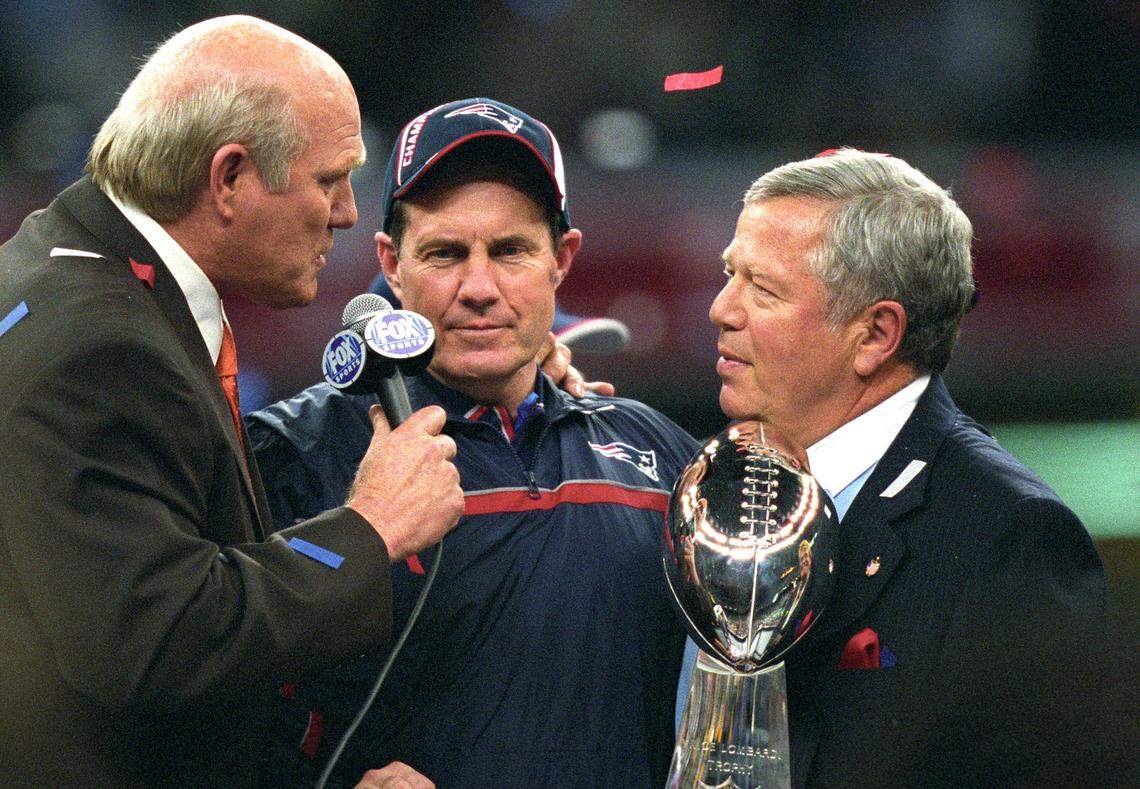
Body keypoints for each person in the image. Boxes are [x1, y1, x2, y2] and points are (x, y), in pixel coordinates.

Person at [0, 16, 466, 787]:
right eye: (329, 179)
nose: (347, 212)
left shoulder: (62, 266)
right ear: (229, 178)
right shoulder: (102, 345)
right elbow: (159, 640)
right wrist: (368, 528)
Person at [246, 97, 699, 787]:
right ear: (392, 264)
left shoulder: (656, 452)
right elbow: (202, 707)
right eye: (446, 254)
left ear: (562, 259)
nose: (480, 287)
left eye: (512, 251)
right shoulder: (296, 453)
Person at [677, 148, 1108, 786]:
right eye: (728, 273)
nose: (721, 308)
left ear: (876, 334)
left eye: (761, 289)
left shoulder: (1012, 540)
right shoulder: (705, 486)